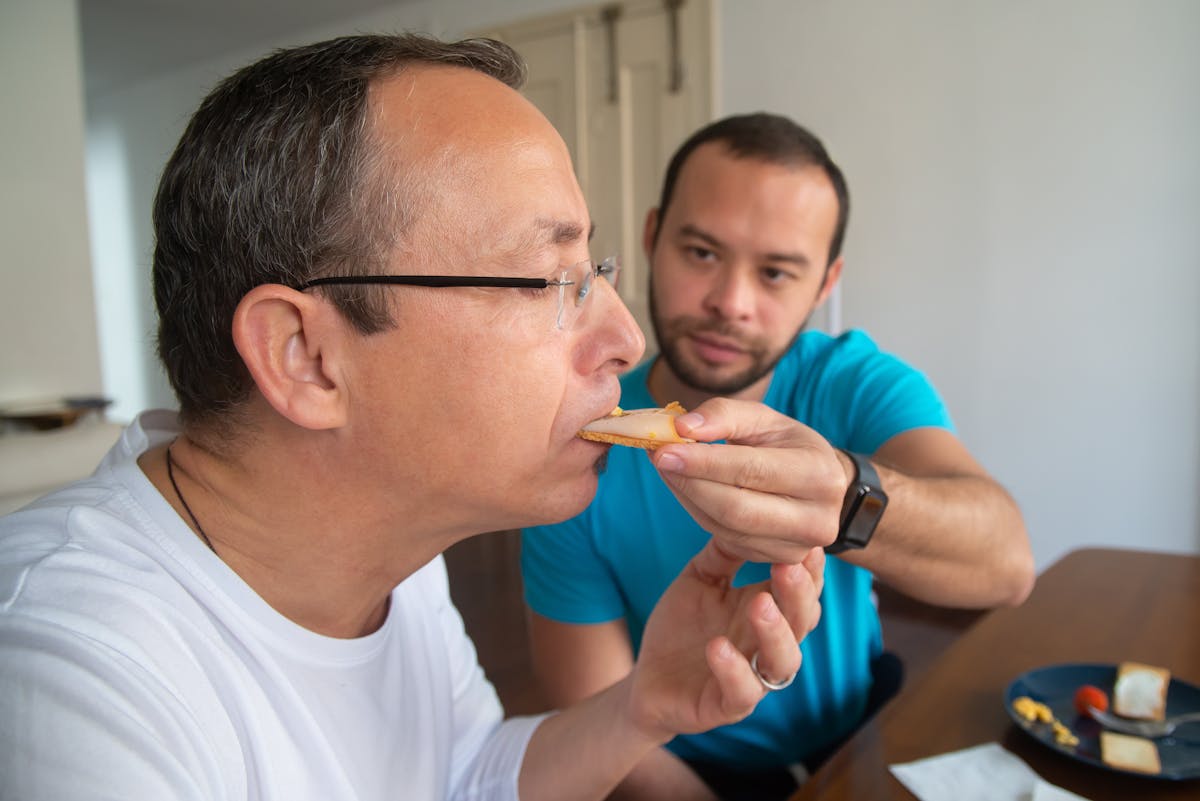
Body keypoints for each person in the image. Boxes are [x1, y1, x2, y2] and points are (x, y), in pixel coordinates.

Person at [0, 38, 831, 801]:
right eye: (550, 280)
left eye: (595, 271)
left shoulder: (389, 539)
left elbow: (461, 775)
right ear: (306, 355)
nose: (626, 337)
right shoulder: (74, 677)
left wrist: (645, 706)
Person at [521, 113, 1036, 801]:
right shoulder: (586, 439)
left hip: (860, 733)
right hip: (677, 764)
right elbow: (593, 702)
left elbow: (1006, 563)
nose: (731, 303)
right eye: (701, 252)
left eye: (775, 272)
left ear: (826, 282)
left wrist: (845, 498)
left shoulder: (855, 383)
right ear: (651, 238)